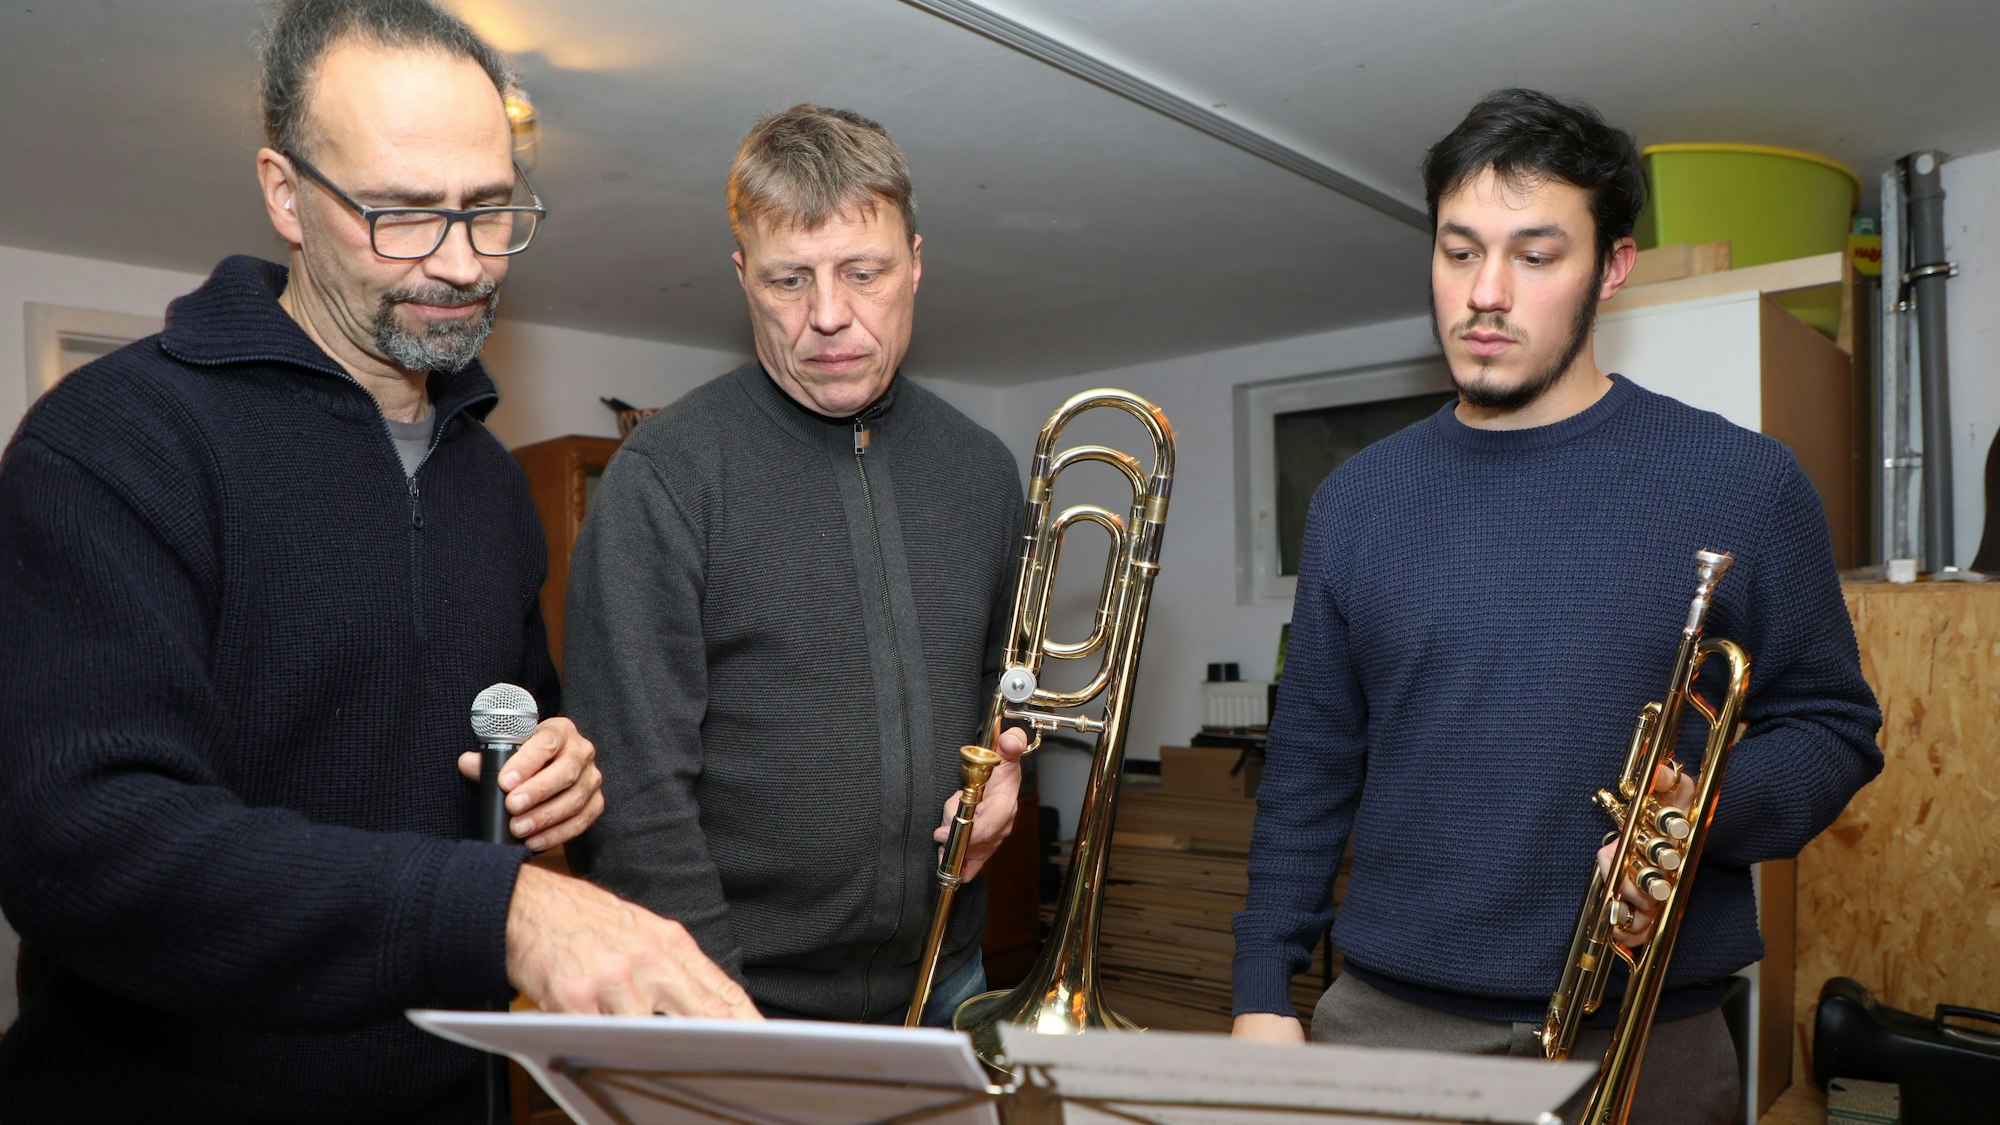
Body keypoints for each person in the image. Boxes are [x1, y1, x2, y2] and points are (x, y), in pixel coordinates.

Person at [0, 2, 755, 1120]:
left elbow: (509, 754)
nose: (458, 264)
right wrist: (499, 911)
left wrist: (560, 785)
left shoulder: (490, 483)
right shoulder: (113, 438)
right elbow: (85, 842)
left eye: (489, 209)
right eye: (400, 215)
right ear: (284, 192)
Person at [1229, 88, 1883, 1125]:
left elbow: (1832, 728)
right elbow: (1310, 758)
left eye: (1534, 255)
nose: (1483, 293)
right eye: (1457, 251)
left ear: (1610, 269)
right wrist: (1263, 990)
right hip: (1390, 1025)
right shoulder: (1356, 500)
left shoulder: (1742, 481)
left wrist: (1698, 811)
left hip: (1647, 1032)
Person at [564, 104, 1030, 1026]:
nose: (828, 317)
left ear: (917, 264)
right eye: (789, 279)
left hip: (952, 982)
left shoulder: (983, 469)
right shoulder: (666, 477)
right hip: (739, 1001)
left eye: (865, 272)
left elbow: (1002, 692)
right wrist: (722, 1010)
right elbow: (636, 792)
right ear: (743, 276)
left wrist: (1013, 770)